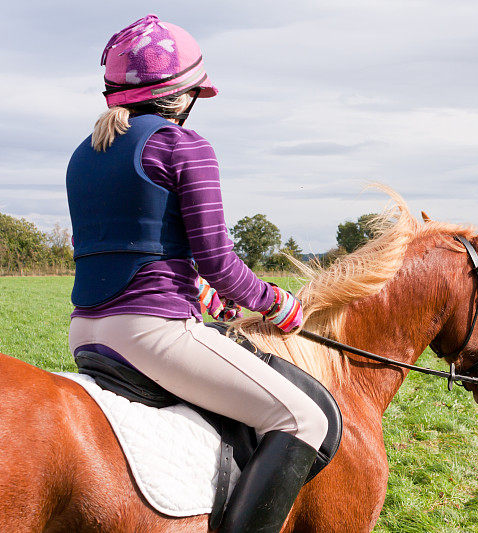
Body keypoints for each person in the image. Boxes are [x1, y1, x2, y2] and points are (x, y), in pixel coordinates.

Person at [65, 15, 327, 532]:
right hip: (152, 334)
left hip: (86, 333)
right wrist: (279, 303)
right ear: (182, 95)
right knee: (303, 419)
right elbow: (219, 262)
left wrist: (204, 297)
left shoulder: (84, 153)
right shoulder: (185, 146)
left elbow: (129, 250)